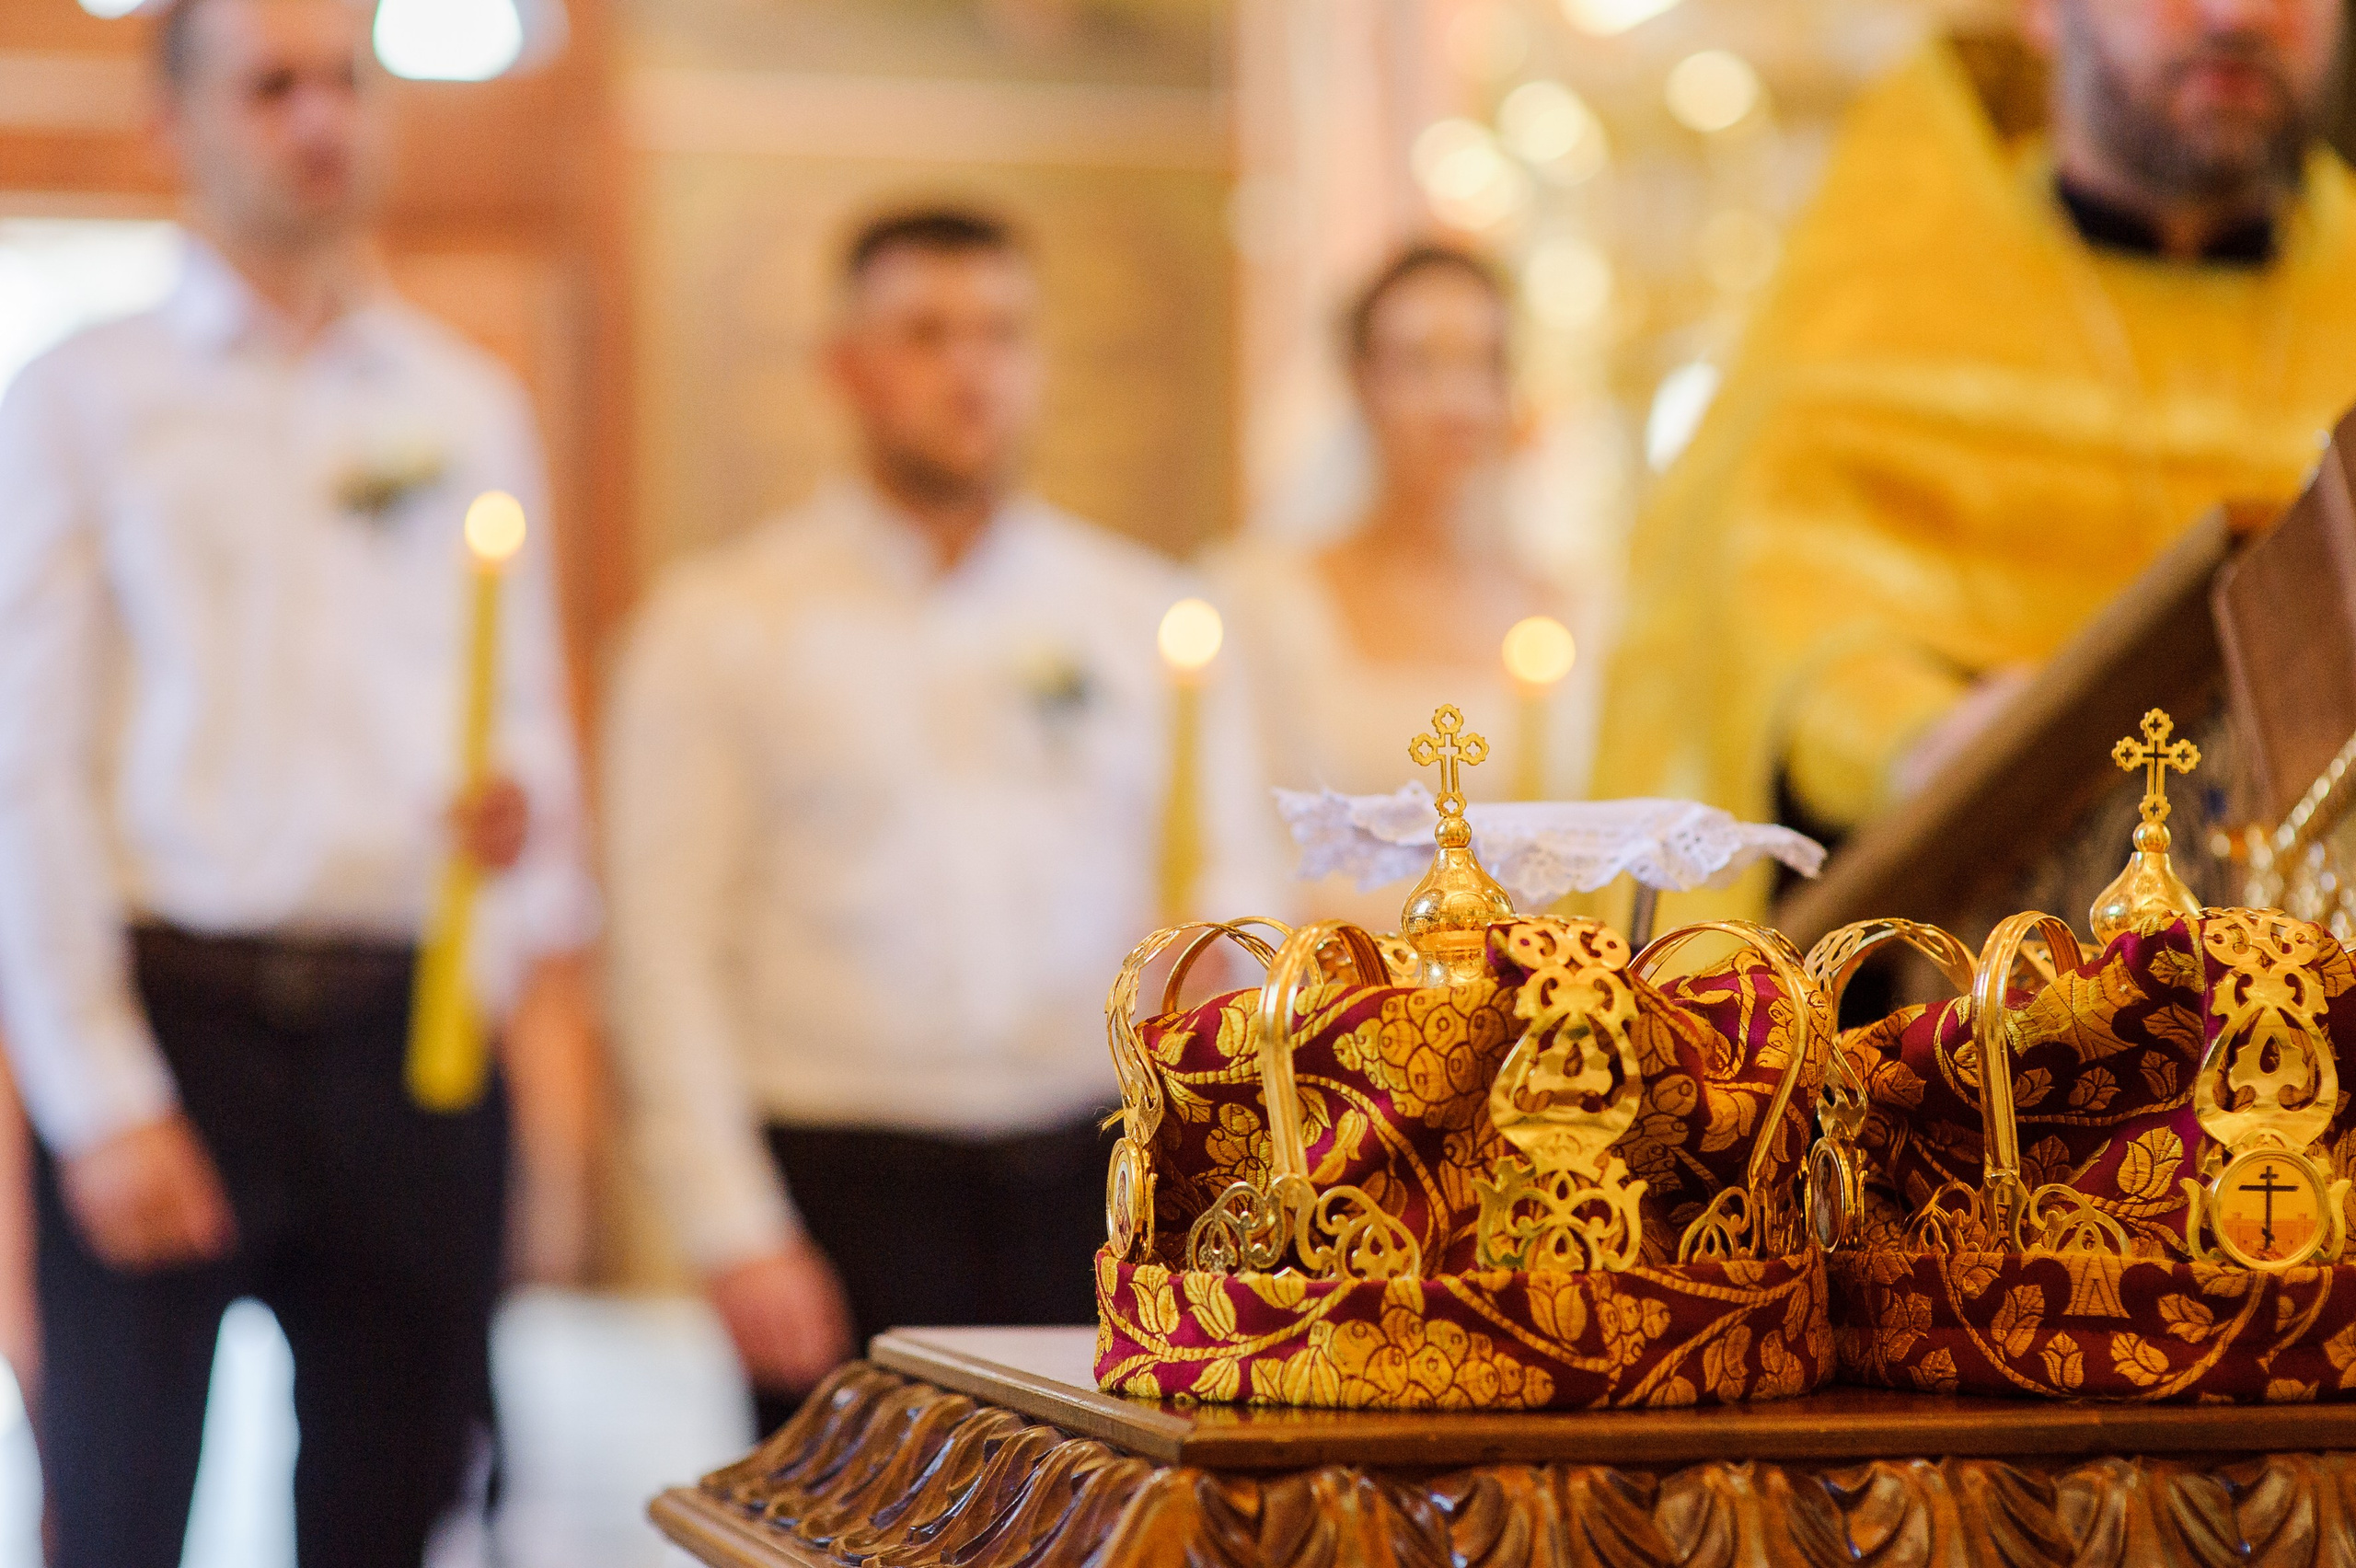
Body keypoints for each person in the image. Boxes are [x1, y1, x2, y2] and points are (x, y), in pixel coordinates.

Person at [0, 1, 598, 1563]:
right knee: (117, 1507)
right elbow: (27, 763)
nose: (319, 119)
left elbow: (524, 718)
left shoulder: (466, 401)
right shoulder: (80, 394)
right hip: (174, 1014)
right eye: (271, 87)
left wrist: (523, 835)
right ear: (171, 127)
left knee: (394, 1509)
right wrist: (98, 1092)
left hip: (412, 1028)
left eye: (344, 82)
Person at [606, 208, 1276, 1433]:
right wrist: (730, 1224)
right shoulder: (722, 625)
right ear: (847, 366)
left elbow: (1232, 872)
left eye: (1002, 333)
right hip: (842, 1172)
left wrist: (1224, 955)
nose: (971, 368)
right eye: (926, 333)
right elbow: (663, 947)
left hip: (1094, 1176)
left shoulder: (1144, 617)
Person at [1595, 0, 2356, 915]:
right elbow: (1764, 607)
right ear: (2042, 12)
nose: (2236, 14)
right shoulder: (1893, 267)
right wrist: (1919, 740)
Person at [1215, 246, 1602, 931]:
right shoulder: (1264, 601)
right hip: (1328, 1001)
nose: (1459, 404)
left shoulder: (1583, 614)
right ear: (1362, 382)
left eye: (1485, 365)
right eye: (1421, 366)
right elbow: (1234, 840)